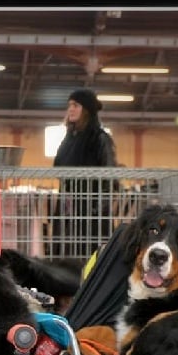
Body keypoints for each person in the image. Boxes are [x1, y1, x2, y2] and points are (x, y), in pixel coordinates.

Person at [51, 88, 119, 259]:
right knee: (66, 256)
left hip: (92, 213)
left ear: (87, 110)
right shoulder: (68, 139)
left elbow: (110, 178)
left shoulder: (100, 138)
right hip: (68, 209)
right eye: (69, 105)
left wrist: (97, 210)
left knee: (90, 257)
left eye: (76, 105)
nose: (70, 109)